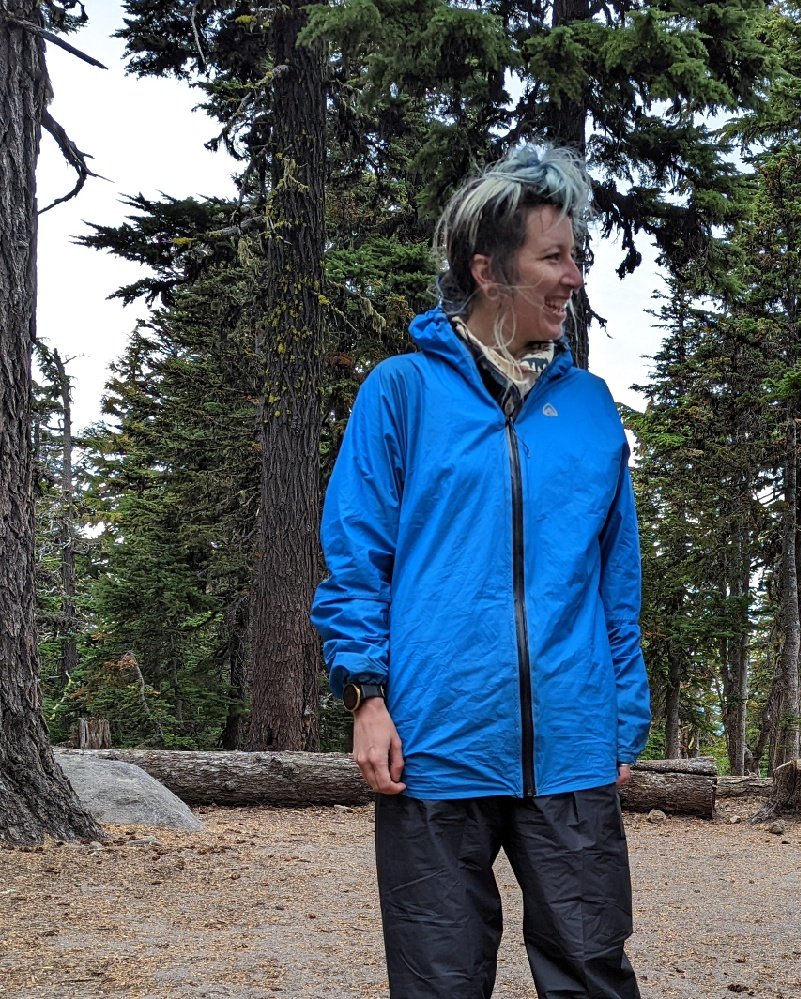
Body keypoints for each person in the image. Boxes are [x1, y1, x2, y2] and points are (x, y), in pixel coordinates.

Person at [310, 145, 650, 999]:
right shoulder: (402, 393)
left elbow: (617, 577)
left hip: (572, 743)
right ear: (487, 268)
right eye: (555, 256)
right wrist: (367, 697)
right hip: (435, 744)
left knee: (591, 972)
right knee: (438, 981)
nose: (575, 275)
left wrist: (624, 714)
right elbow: (357, 557)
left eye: (578, 255)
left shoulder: (592, 409)